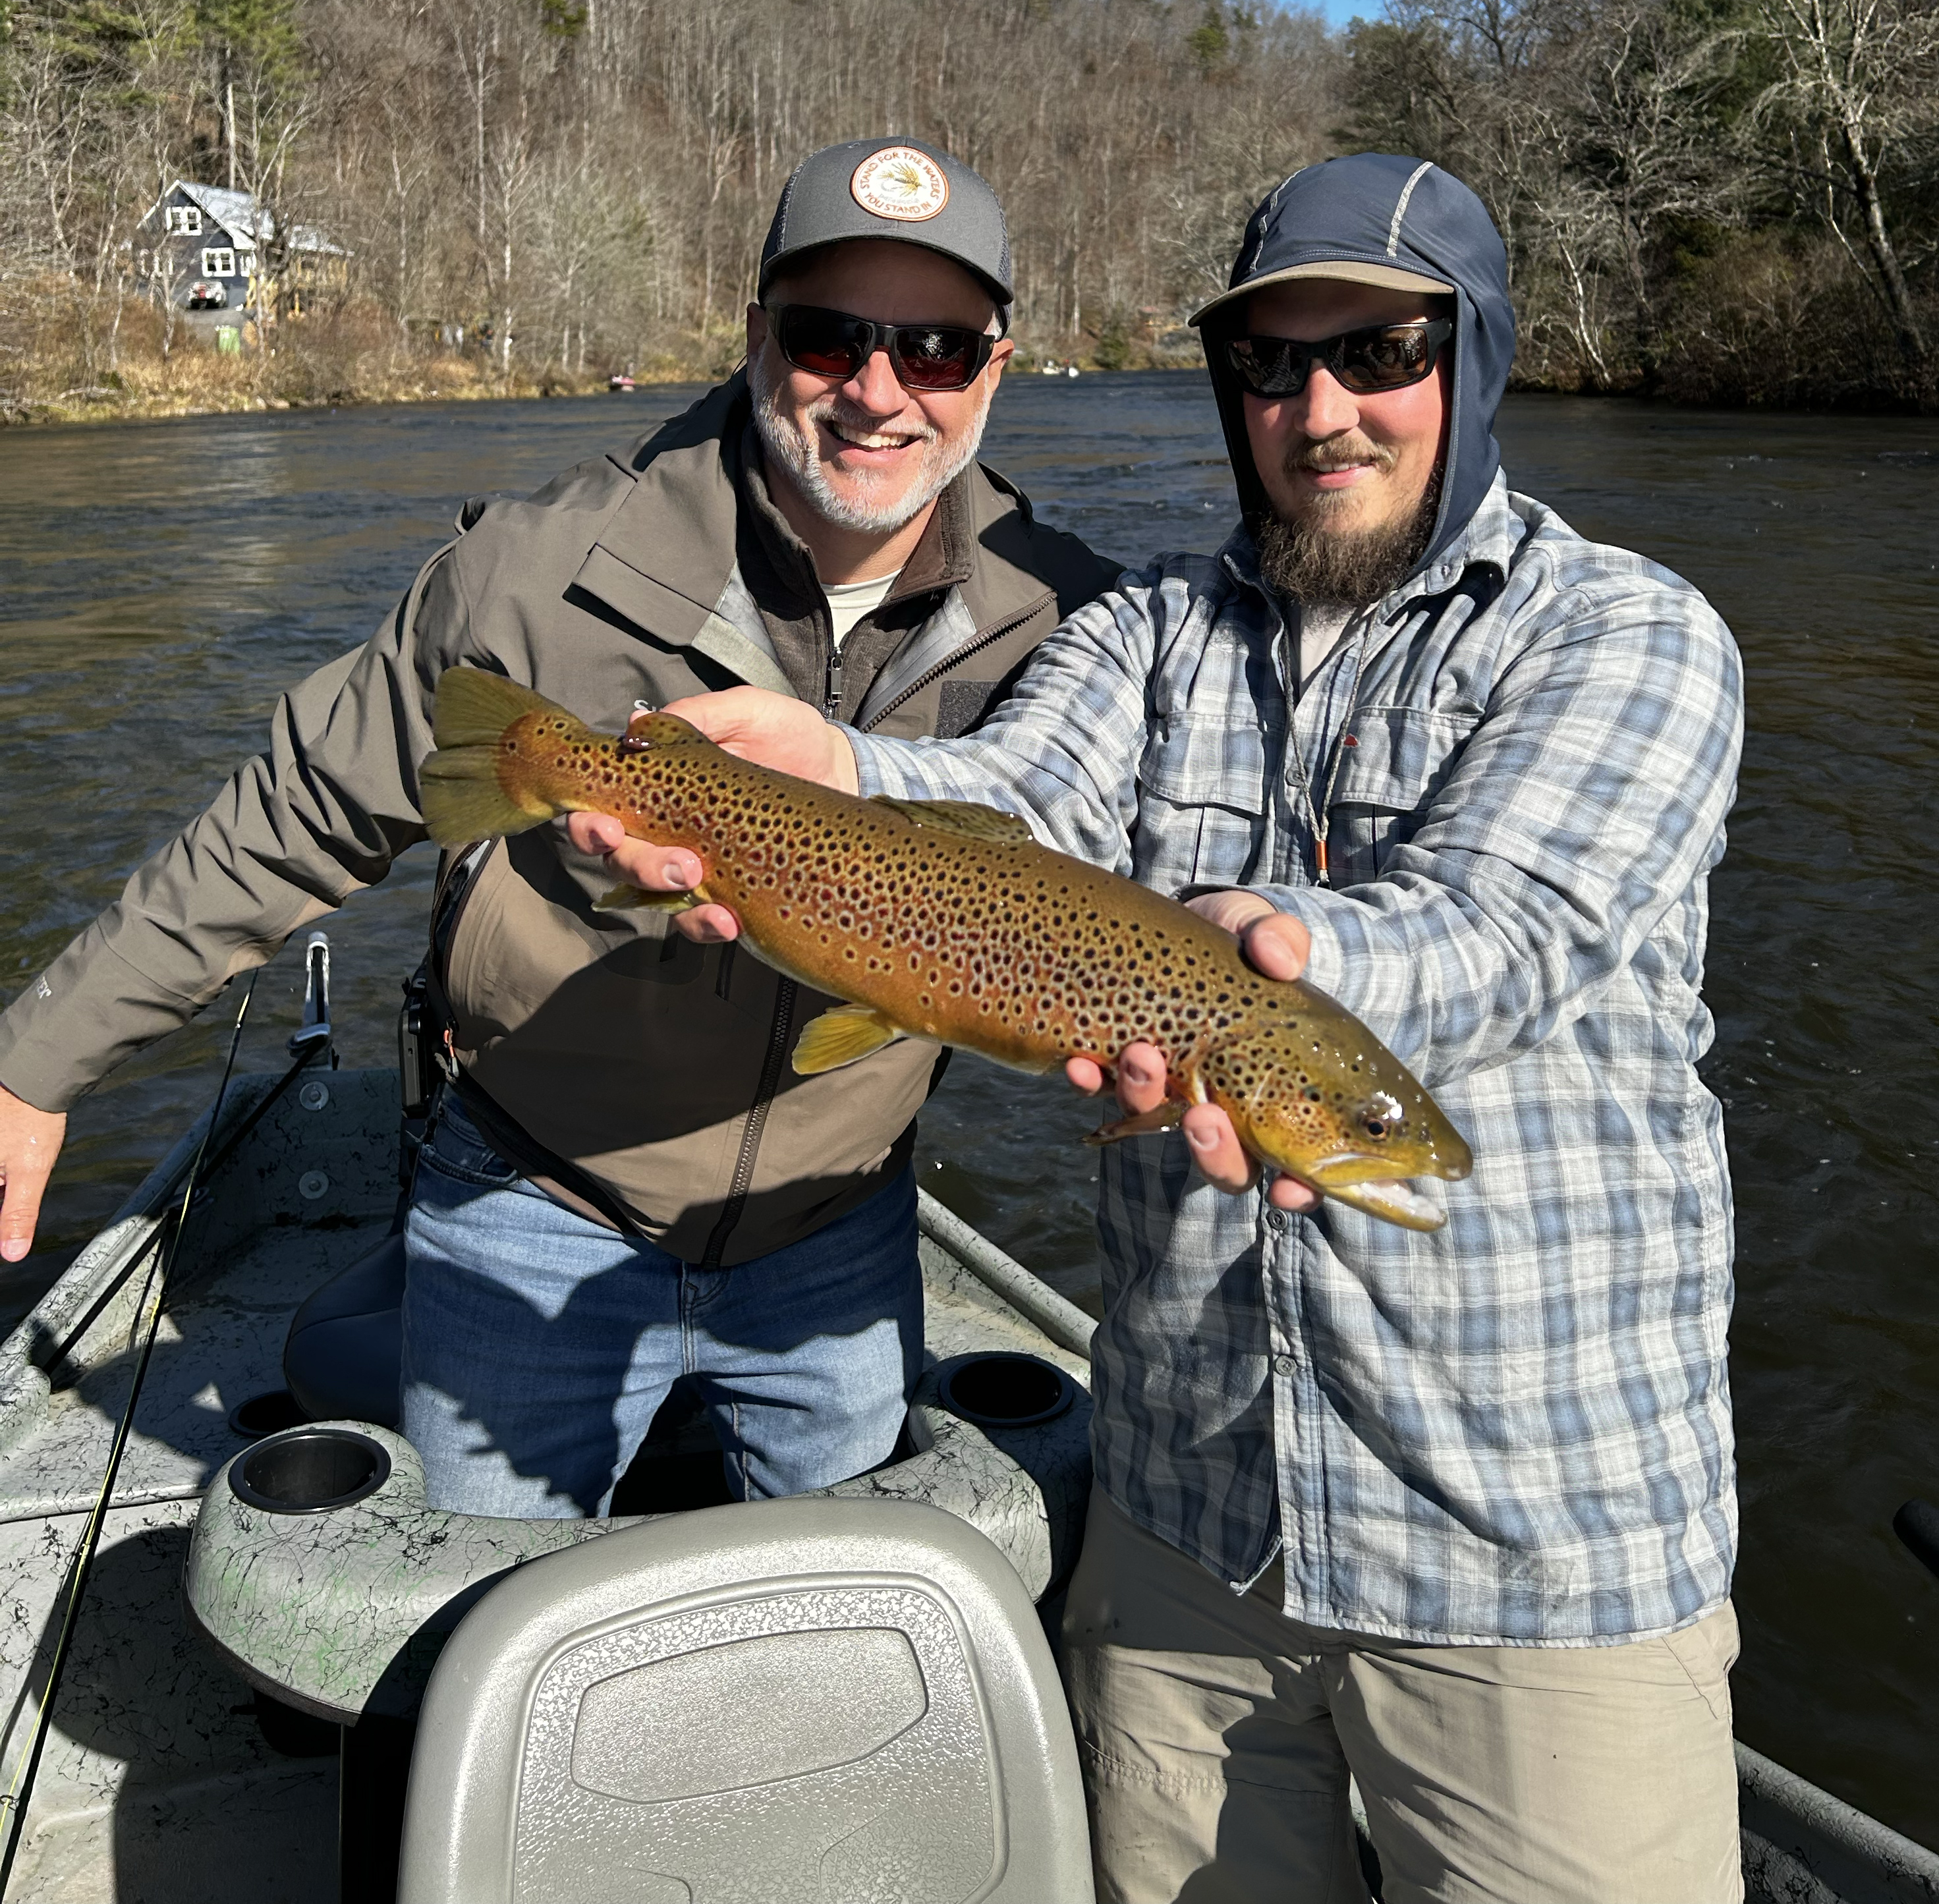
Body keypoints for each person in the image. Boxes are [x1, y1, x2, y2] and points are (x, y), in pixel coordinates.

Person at [607, 154, 1749, 1904]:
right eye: (1273, 366)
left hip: (1536, 1557)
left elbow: (1509, 928)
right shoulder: (1145, 630)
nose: (1322, 410)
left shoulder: (1630, 634)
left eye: (1381, 352)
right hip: (1188, 1532)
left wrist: (1274, 962)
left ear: (1480, 360)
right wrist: (829, 775)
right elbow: (1004, 800)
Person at [0, 138, 1115, 1517]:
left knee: (835, 1658)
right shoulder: (540, 569)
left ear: (994, 369)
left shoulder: (1076, 621)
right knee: (479, 1622)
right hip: (531, 1206)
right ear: (760, 338)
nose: (879, 392)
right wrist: (41, 1056)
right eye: (833, 335)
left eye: (938, 348)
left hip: (845, 1227)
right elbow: (295, 811)